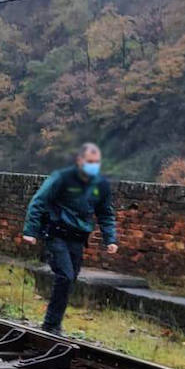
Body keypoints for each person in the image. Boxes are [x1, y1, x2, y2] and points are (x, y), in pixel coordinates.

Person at [22, 143, 118, 335]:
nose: (93, 165)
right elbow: (39, 201)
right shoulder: (62, 178)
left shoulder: (100, 185)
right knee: (65, 275)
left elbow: (105, 213)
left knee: (71, 278)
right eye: (90, 162)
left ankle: (53, 321)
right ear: (79, 161)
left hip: (77, 237)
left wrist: (110, 239)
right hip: (56, 233)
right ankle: (51, 324)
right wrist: (30, 231)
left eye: (96, 162)